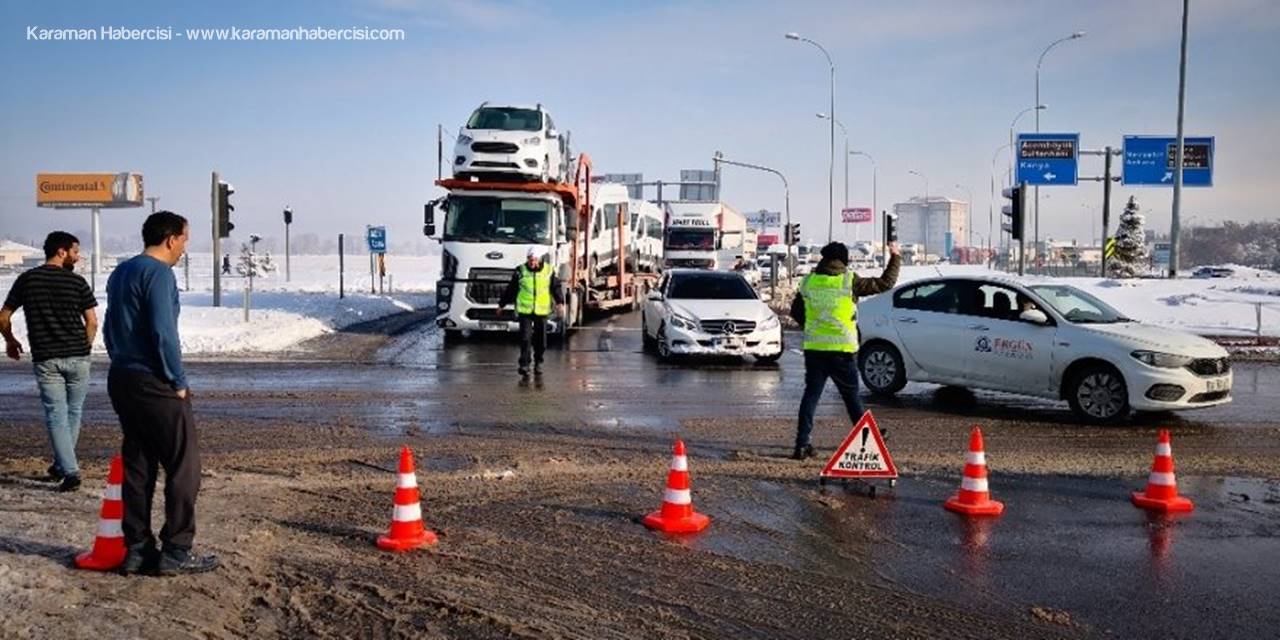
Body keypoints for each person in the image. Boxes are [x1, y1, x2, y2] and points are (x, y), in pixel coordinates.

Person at [104, 211, 218, 576]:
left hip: (122, 377)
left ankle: (137, 548)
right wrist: (178, 379)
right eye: (185, 239)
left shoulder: (121, 271)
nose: (185, 247)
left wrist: (123, 358)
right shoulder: (159, 274)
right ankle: (176, 551)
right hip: (155, 381)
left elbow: (108, 327)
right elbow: (163, 333)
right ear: (171, 239)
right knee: (185, 466)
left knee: (138, 465)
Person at [0, 232, 97, 492]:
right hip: (78, 357)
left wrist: (10, 340)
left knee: (57, 415)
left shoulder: (27, 280)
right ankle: (63, 466)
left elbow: (3, 316)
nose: (77, 257)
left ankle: (68, 470)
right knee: (74, 412)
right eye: (75, 252)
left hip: (47, 358)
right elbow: (92, 322)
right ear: (62, 251)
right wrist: (84, 347)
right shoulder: (77, 282)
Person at [789, 241, 902, 460]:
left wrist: (812, 326)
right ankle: (871, 437)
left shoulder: (809, 281)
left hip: (815, 349)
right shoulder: (850, 281)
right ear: (844, 259)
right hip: (842, 350)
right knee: (851, 398)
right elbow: (885, 283)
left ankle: (802, 445)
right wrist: (895, 256)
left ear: (823, 258)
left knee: (811, 396)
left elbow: (795, 311)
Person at [499, 247, 564, 377]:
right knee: (525, 339)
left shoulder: (548, 271)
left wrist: (560, 303)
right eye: (529, 259)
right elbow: (511, 289)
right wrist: (501, 305)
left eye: (534, 260)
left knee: (541, 341)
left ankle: (538, 362)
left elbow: (555, 288)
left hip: (542, 311)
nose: (531, 262)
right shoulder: (520, 271)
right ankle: (524, 365)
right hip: (525, 311)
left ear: (539, 259)